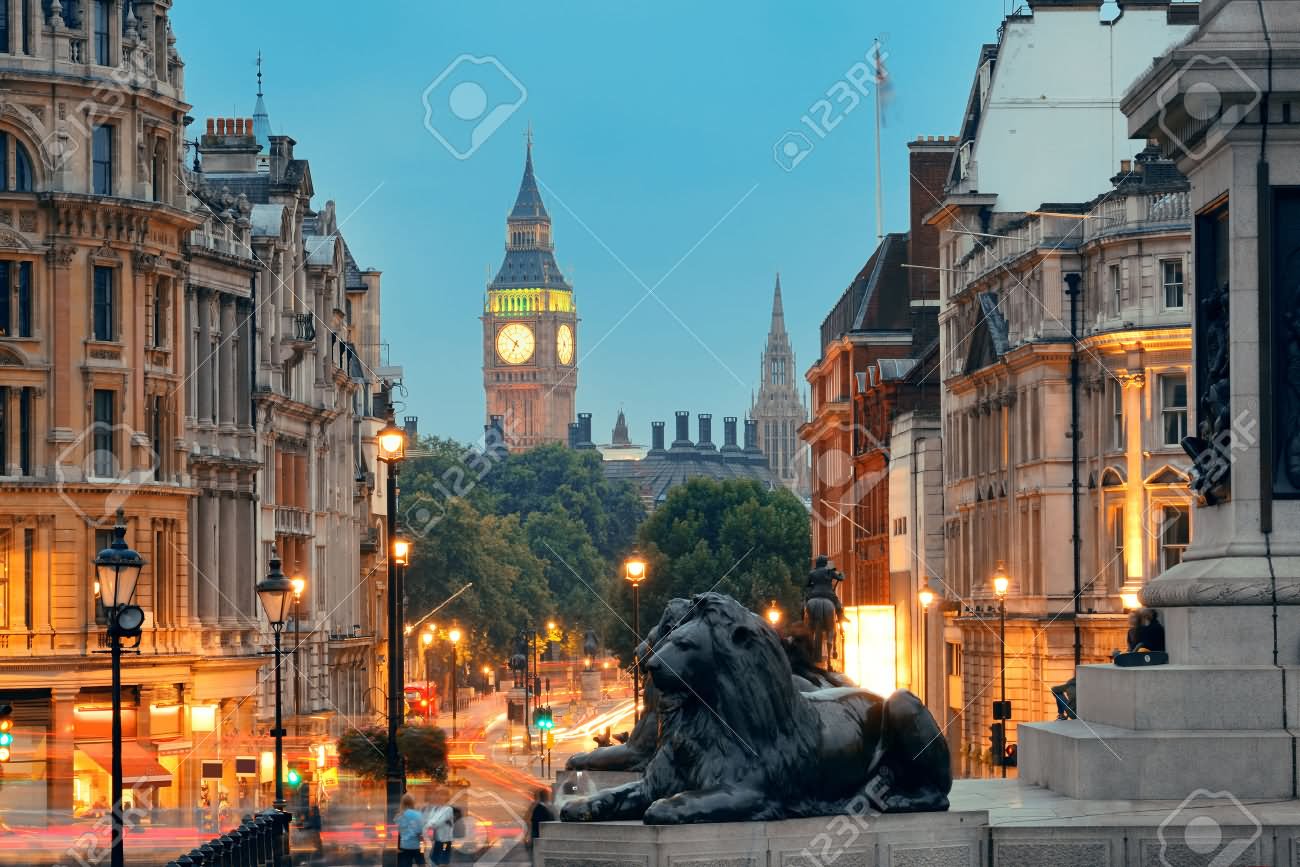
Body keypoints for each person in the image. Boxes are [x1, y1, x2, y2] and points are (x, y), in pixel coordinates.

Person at [424, 786, 455, 866]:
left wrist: (428, 825)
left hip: (445, 841)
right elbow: (429, 820)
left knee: (443, 861)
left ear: (447, 797)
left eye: (442, 795)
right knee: (434, 860)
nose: (439, 797)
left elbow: (438, 822)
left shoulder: (448, 809)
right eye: (438, 794)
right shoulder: (435, 808)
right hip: (437, 840)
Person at [395, 792, 426, 867]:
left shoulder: (399, 815)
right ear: (413, 803)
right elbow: (419, 832)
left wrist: (398, 847)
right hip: (417, 846)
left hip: (404, 846)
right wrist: (423, 846)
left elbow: (399, 832)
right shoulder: (418, 814)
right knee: (421, 863)